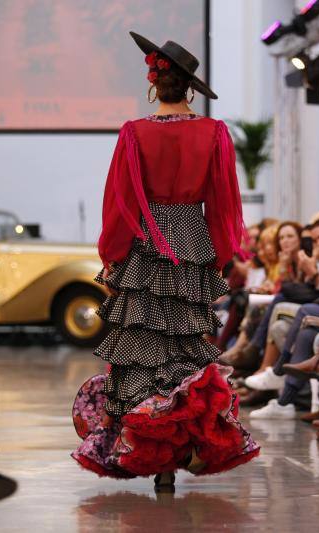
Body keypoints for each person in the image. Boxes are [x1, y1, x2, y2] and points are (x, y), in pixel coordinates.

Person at [71, 32, 259, 490]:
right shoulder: (213, 133)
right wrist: (218, 256)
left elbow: (120, 201)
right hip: (191, 242)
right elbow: (222, 202)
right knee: (185, 353)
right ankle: (174, 457)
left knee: (142, 354)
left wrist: (113, 257)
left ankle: (151, 454)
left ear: (154, 83)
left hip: (147, 243)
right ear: (190, 88)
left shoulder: (134, 132)